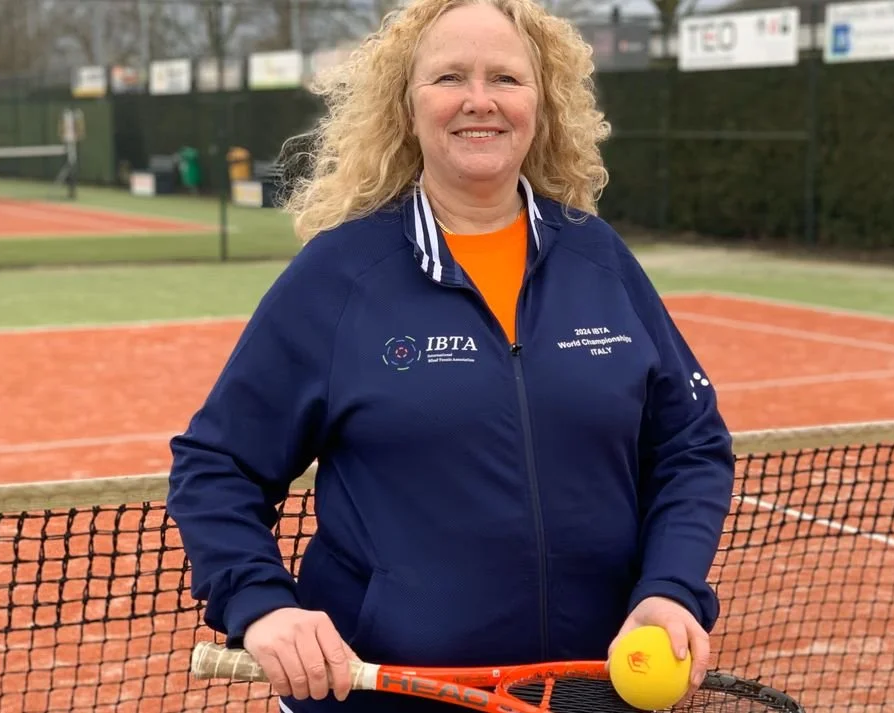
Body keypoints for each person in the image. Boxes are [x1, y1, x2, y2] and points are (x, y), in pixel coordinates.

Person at [165, 0, 734, 711]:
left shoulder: (600, 260)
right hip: (389, 696)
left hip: (590, 692)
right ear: (408, 107)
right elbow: (216, 464)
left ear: (541, 103)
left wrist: (669, 588)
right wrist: (262, 603)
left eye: (505, 78)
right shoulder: (340, 276)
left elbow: (690, 442)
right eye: (448, 78)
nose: (479, 100)